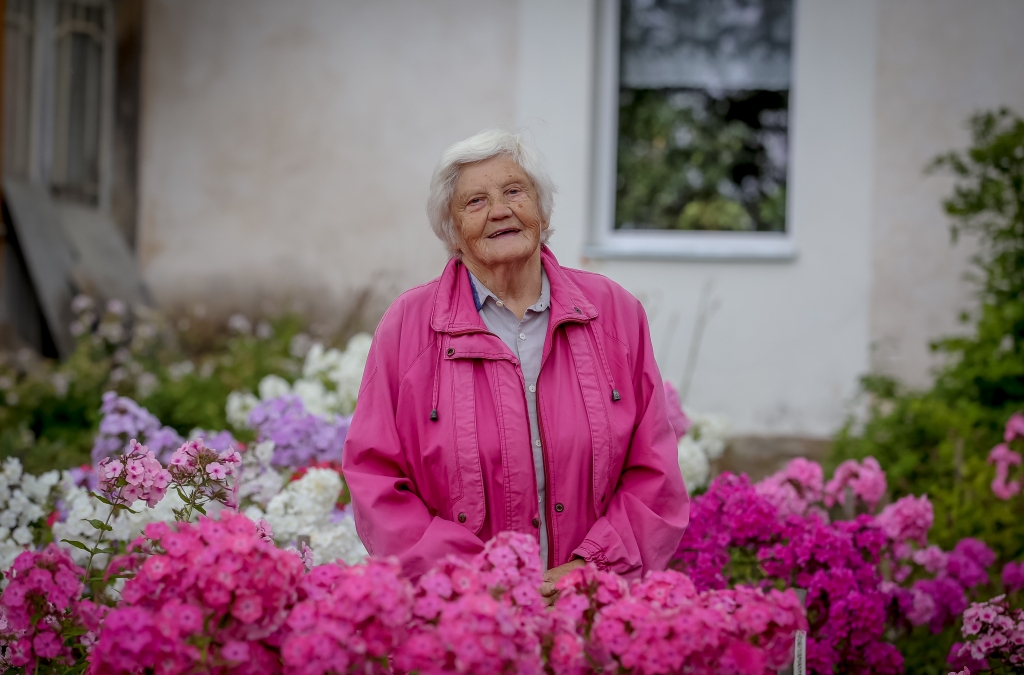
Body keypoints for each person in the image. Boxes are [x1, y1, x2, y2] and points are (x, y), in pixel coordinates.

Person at [342, 129, 689, 596]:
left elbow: (654, 471)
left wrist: (592, 570)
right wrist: (481, 583)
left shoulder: (614, 313)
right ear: (452, 231)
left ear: (542, 213)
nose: (500, 211)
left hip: (590, 611)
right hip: (469, 619)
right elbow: (376, 479)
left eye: (514, 191)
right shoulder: (408, 327)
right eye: (475, 202)